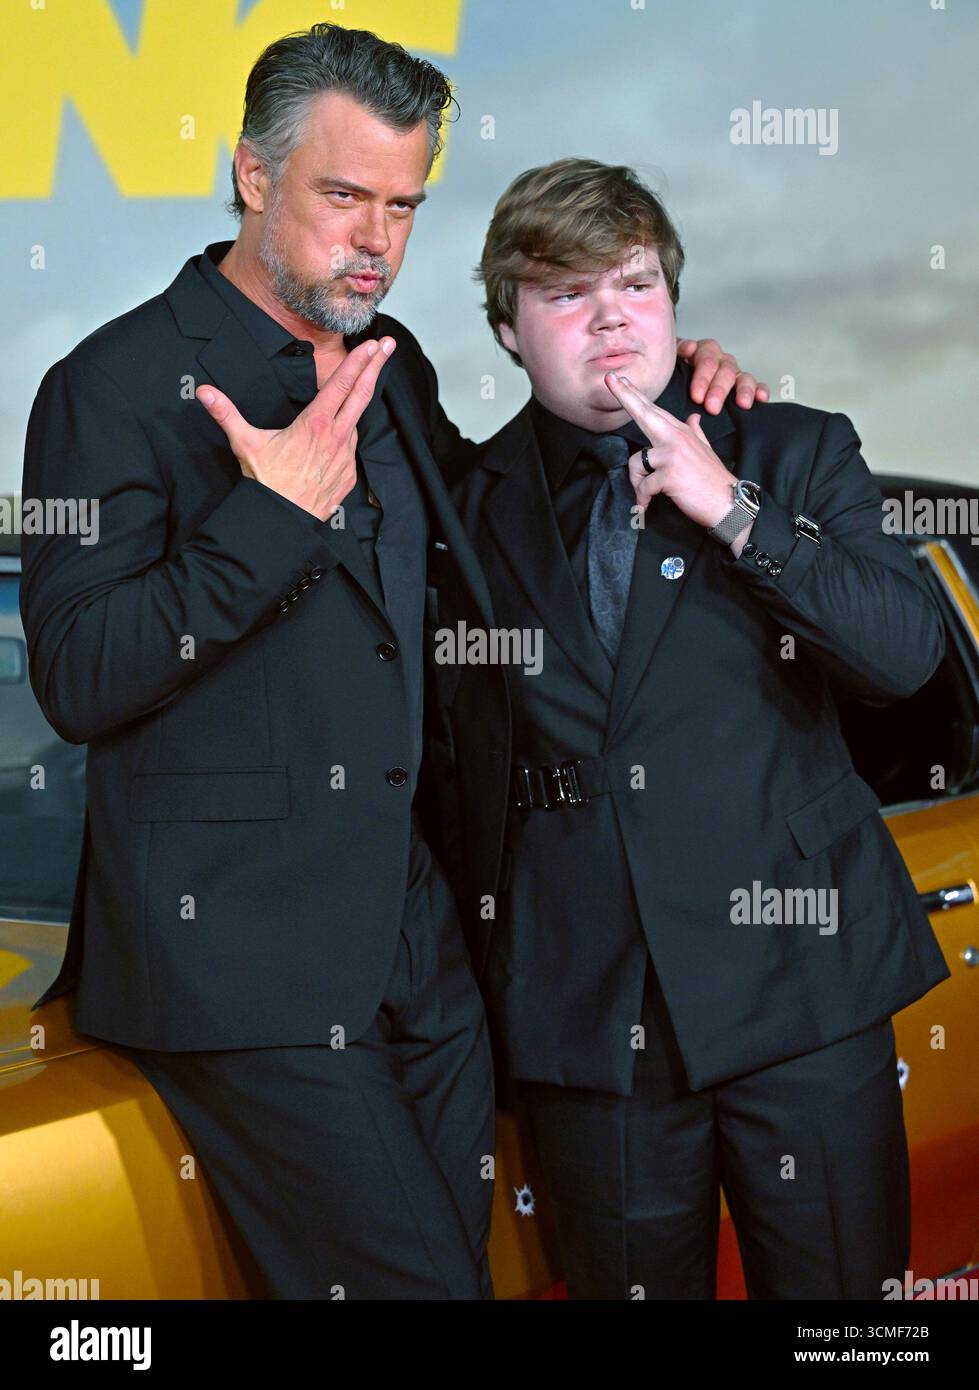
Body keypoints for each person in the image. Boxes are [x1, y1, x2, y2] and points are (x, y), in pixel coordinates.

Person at [18, 28, 758, 1299]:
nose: (375, 239)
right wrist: (271, 520)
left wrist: (651, 388)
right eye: (343, 196)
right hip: (243, 969)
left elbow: (502, 532)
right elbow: (79, 676)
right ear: (253, 177)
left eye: (403, 205)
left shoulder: (391, 361)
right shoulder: (111, 386)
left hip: (422, 951)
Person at [433, 156, 951, 1300]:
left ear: (673, 300)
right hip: (588, 1014)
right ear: (509, 330)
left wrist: (730, 509)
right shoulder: (460, 512)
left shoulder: (789, 448)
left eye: (633, 284)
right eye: (565, 293)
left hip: (799, 989)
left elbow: (901, 656)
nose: (608, 316)